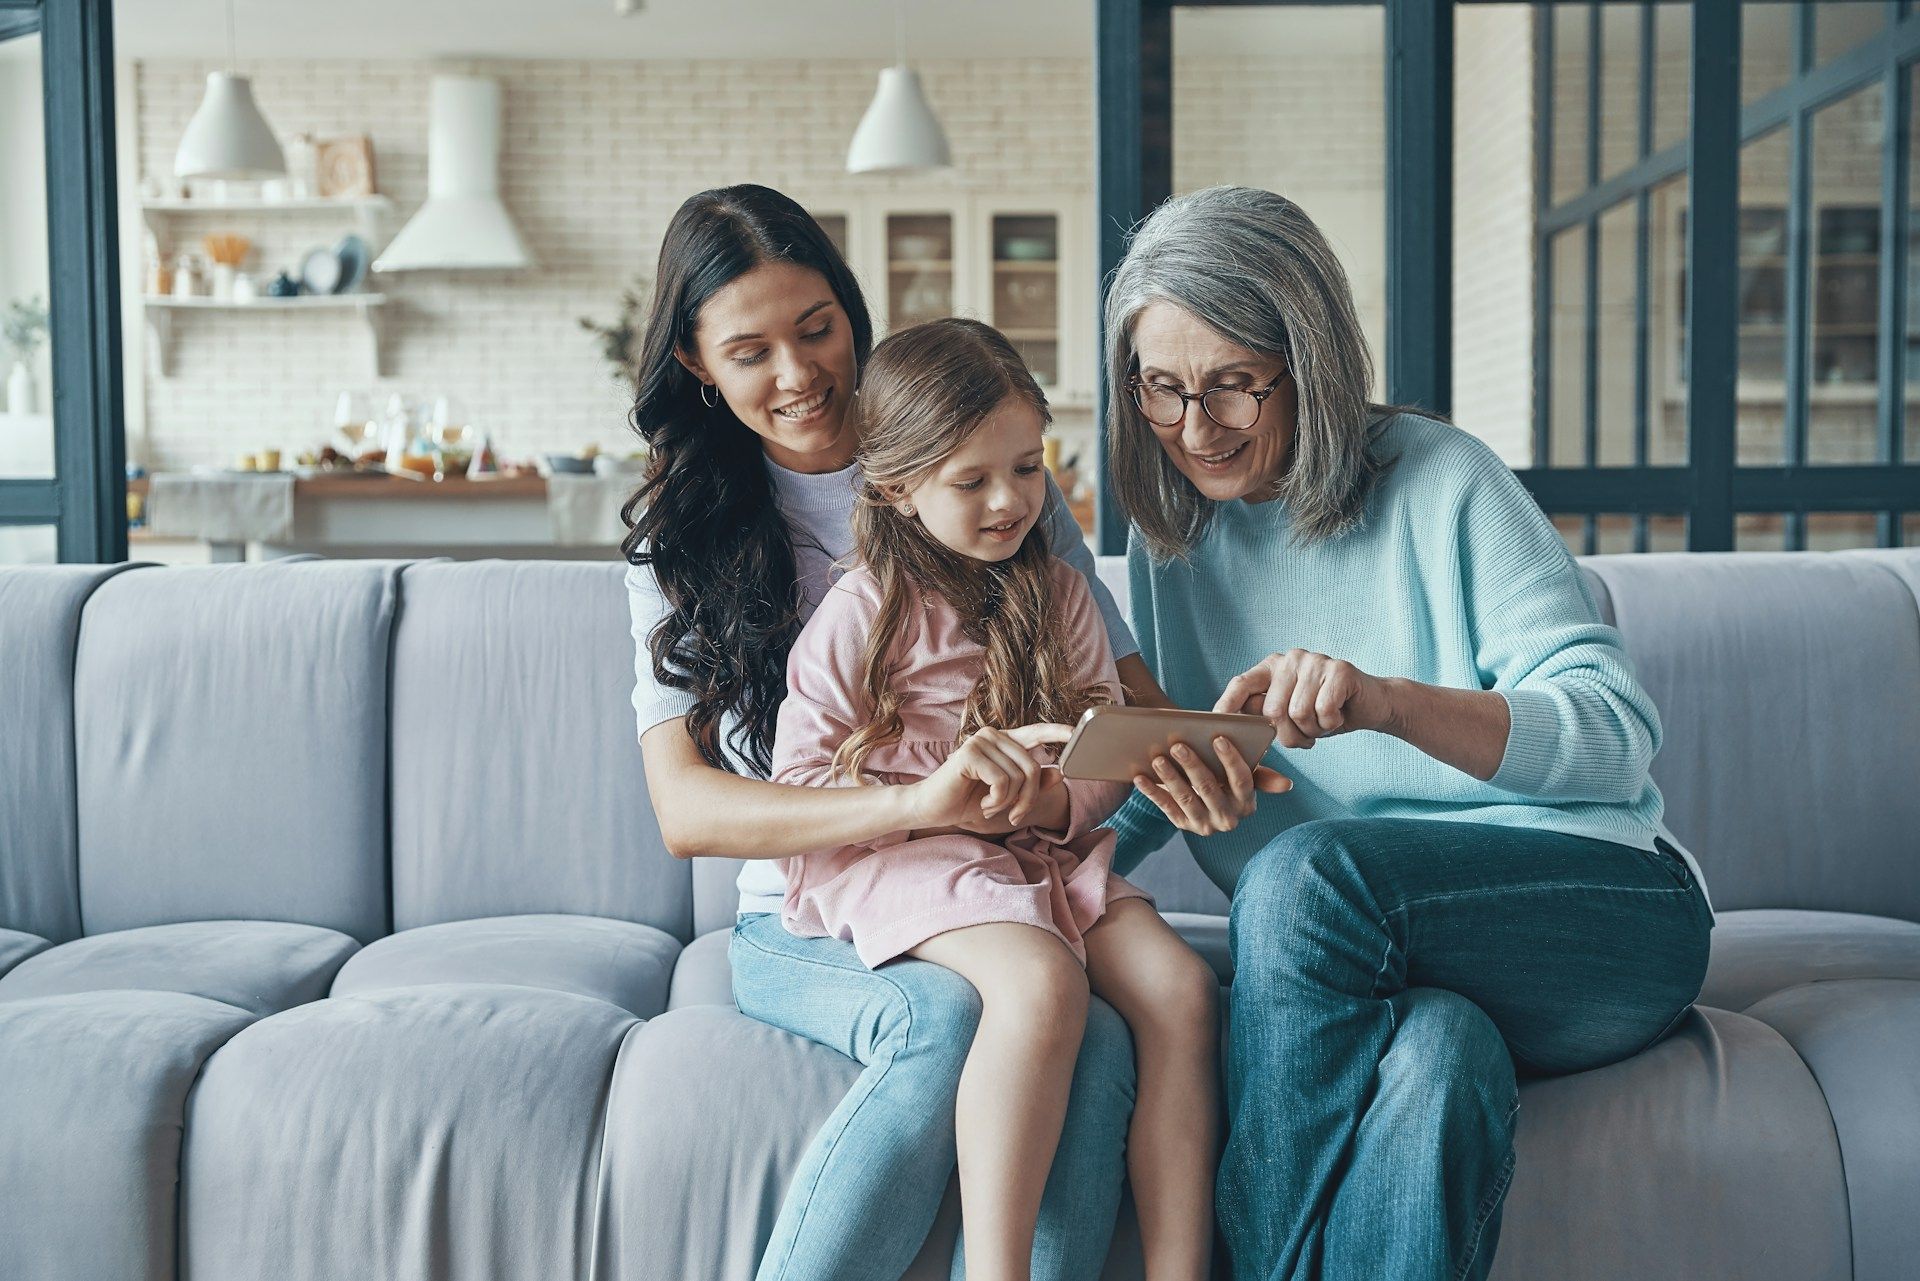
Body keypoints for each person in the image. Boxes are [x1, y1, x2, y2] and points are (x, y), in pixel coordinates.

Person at [1098, 185, 1715, 1281]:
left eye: (1236, 384)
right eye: (1162, 389)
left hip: (1602, 916)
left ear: (1312, 358)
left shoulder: (1442, 481)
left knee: (1303, 877)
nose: (1197, 428)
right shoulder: (1173, 542)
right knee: (1440, 1062)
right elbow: (1176, 761)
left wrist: (1385, 702)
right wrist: (1034, 854)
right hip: (1370, 965)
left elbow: (1614, 736)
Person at [621, 184, 1144, 1281]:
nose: (801, 374)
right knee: (947, 1019)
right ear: (697, 367)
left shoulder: (984, 469)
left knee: (1095, 1038)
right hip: (803, 914)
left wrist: (1162, 756)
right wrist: (914, 804)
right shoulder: (684, 542)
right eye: (751, 350)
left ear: (852, 316)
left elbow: (1118, 697)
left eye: (816, 329)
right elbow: (688, 809)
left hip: (1001, 878)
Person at [771, 318, 1218, 1281]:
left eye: (1027, 467)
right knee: (1040, 981)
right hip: (906, 861)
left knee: (1182, 991)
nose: (1011, 500)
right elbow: (799, 785)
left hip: (1044, 857)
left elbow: (1100, 772)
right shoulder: (860, 613)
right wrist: (938, 798)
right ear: (897, 487)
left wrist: (1055, 796)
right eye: (971, 482)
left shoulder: (1060, 594)